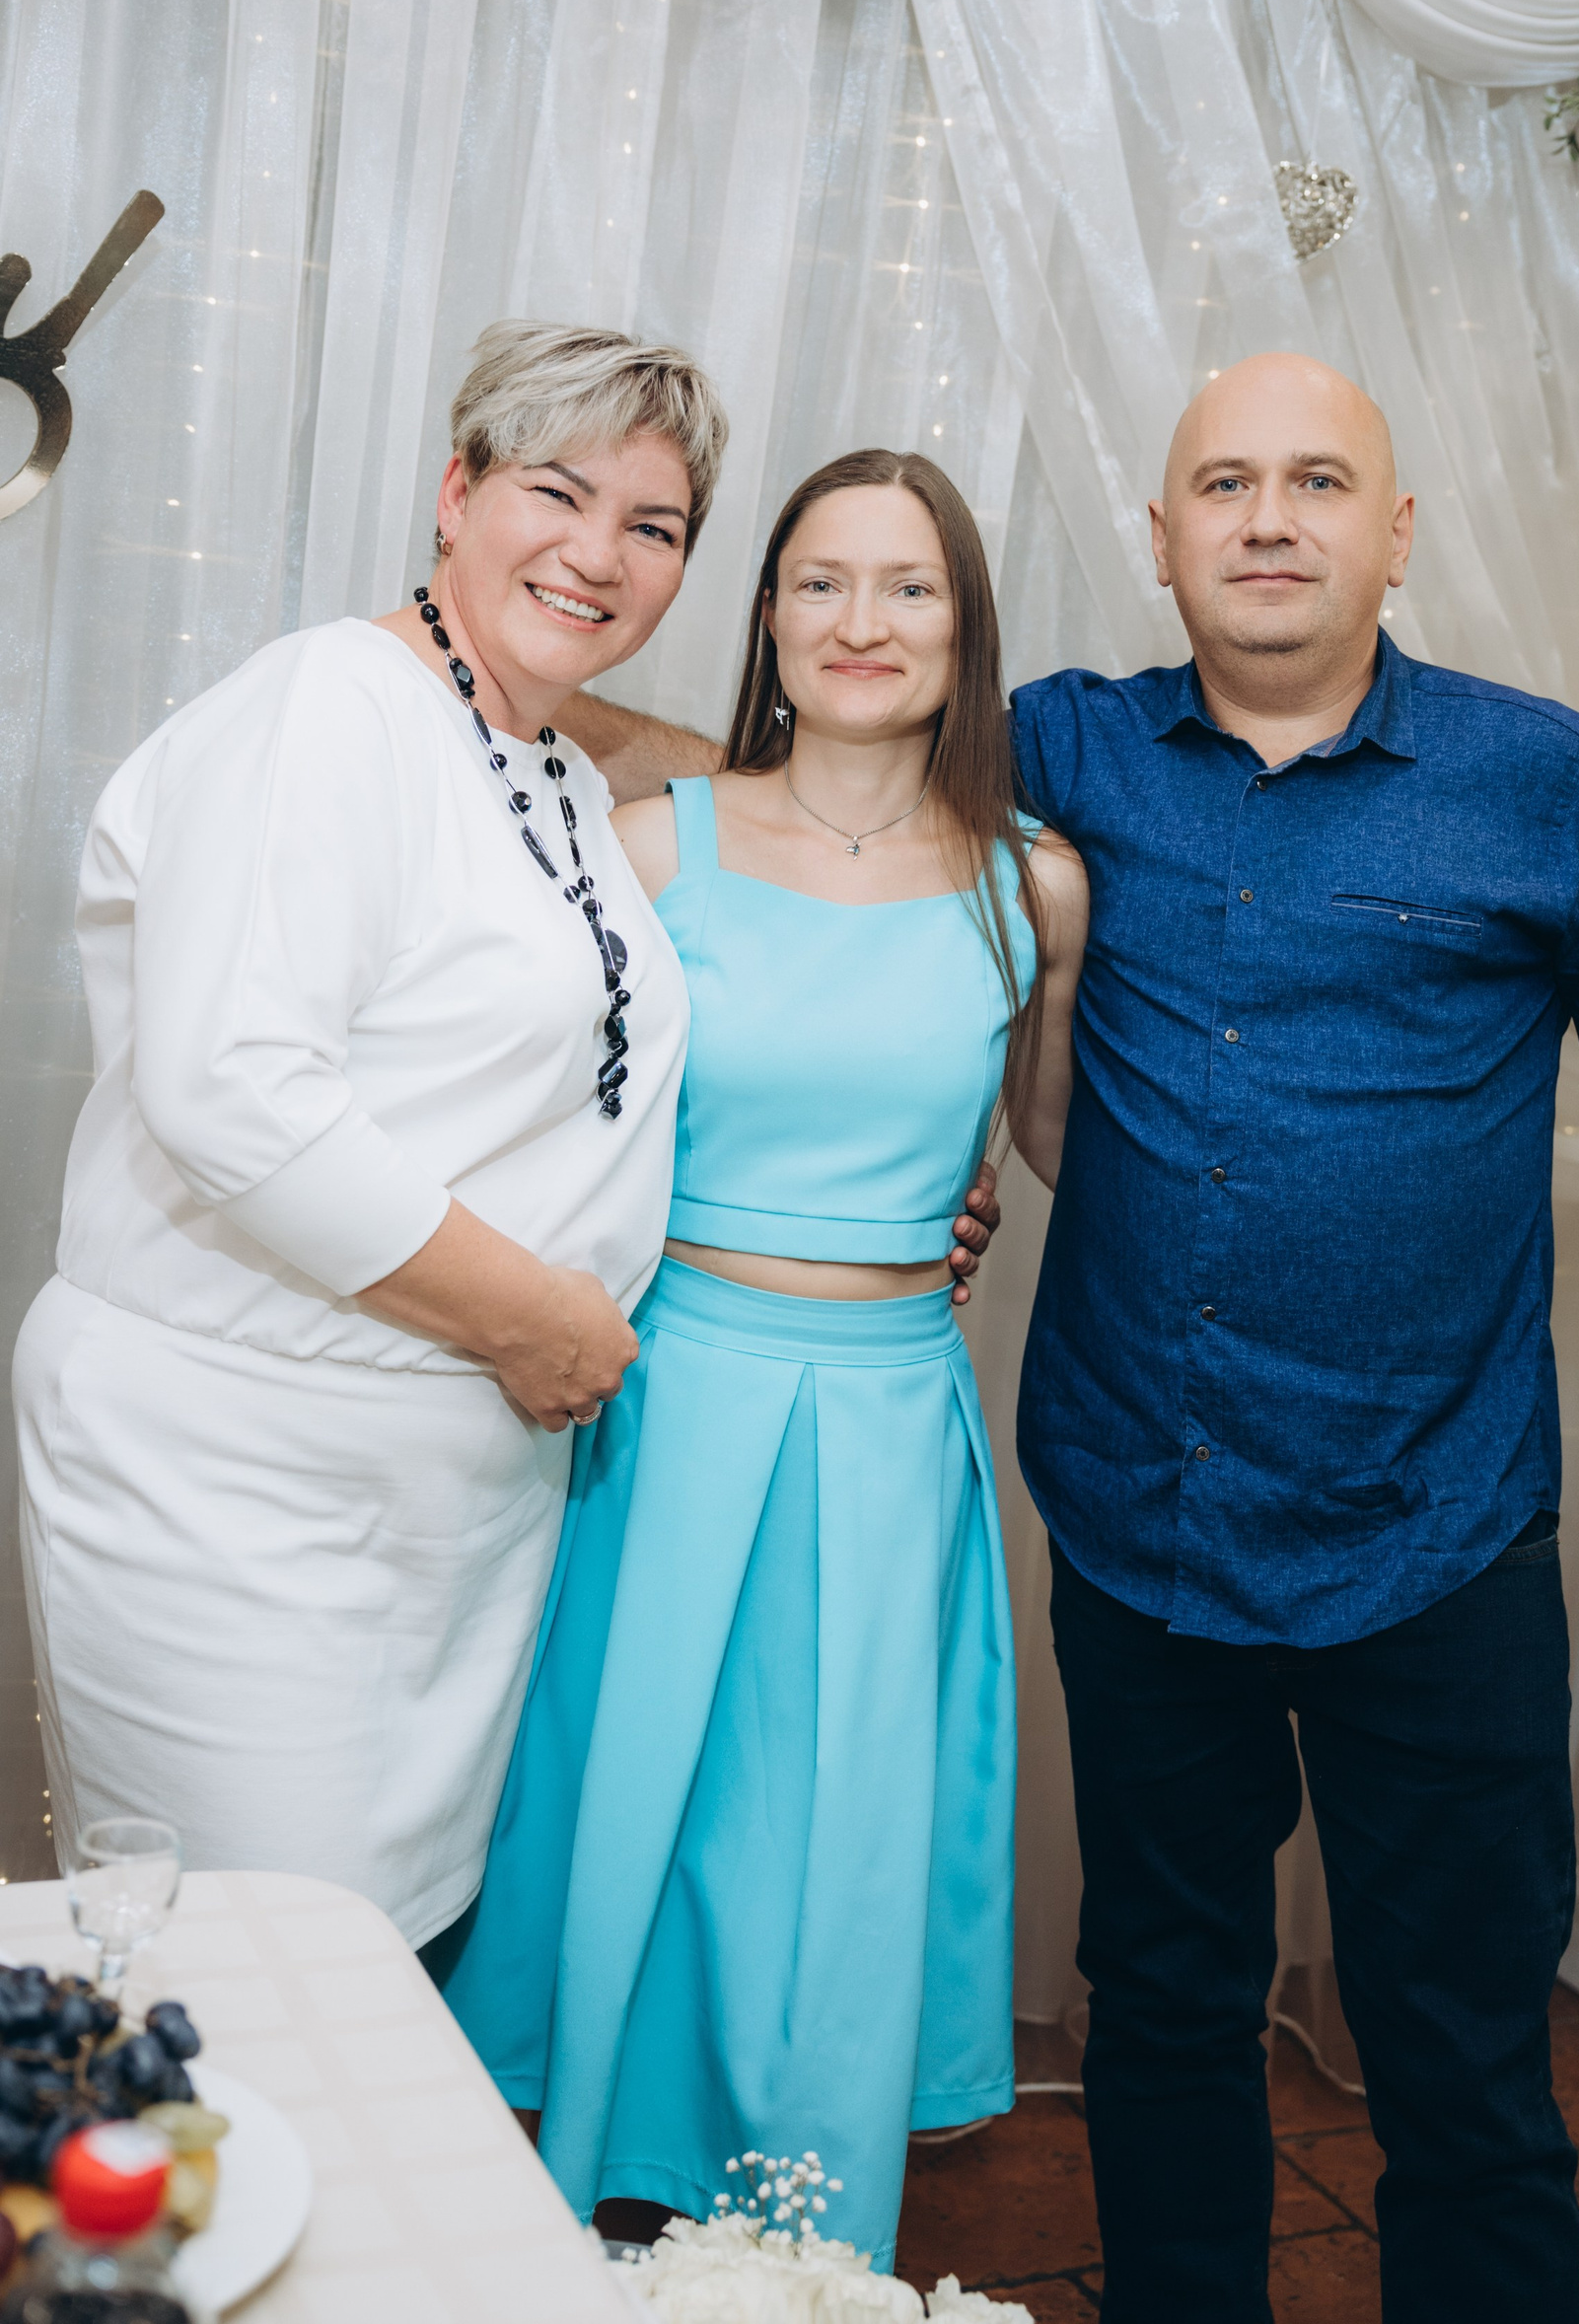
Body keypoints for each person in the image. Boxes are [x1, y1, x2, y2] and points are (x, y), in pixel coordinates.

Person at [567, 354, 1579, 2324]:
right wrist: (490, 690)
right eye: (1224, 484)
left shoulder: (1546, 782)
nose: (1269, 520)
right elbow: (817, 769)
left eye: (1319, 481)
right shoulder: (1064, 751)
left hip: (1438, 1534)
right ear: (1160, 540)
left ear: (1398, 532)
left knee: (1466, 2064)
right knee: (1159, 2021)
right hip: (1147, 1523)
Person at [431, 450, 1089, 2275]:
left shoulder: (1036, 889)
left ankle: (794, 2243)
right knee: (634, 1797)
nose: (863, 622)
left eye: (908, 586)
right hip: (673, 1398)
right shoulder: (658, 849)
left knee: (829, 1840)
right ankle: (577, 2200)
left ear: (965, 627)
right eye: (821, 582)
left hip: (887, 1415)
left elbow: (1056, 1148)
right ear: (771, 618)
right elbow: (539, 1126)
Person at [15, 320, 725, 1944]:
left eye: (655, 525)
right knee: (260, 1974)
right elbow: (233, 1086)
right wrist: (535, 1317)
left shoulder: (547, 764)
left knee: (382, 1975)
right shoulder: (324, 708)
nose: (600, 554)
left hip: (446, 1512)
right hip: (240, 1489)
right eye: (558, 492)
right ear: (456, 493)